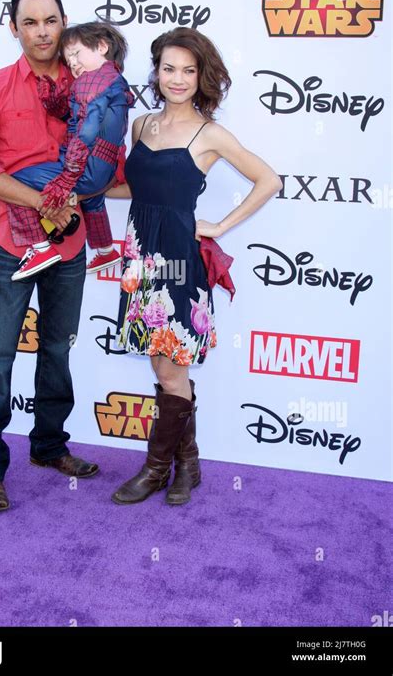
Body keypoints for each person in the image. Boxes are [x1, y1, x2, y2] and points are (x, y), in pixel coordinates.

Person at [107, 27, 283, 506]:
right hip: (141, 257)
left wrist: (222, 226)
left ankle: (155, 468)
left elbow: (269, 180)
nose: (177, 78)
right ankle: (188, 463)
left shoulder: (210, 134)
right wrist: (87, 188)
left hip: (181, 262)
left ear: (201, 76)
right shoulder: (141, 125)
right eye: (169, 68)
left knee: (170, 368)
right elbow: (138, 188)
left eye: (188, 70)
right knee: (165, 365)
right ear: (156, 71)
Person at [0, 0, 99, 513]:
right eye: (30, 22)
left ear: (64, 23)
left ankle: (48, 447)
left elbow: (105, 158)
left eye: (51, 21)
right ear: (13, 27)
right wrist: (44, 200)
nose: (42, 32)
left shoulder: (88, 86)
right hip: (9, 244)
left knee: (58, 348)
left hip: (69, 244)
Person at [9, 21, 135, 281]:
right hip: (107, 170)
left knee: (14, 181)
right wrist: (56, 104)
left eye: (77, 54)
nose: (73, 63)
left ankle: (39, 247)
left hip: (88, 169)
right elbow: (83, 118)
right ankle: (105, 249)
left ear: (102, 46)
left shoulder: (93, 81)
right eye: (68, 59)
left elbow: (86, 133)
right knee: (93, 199)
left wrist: (67, 177)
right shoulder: (113, 80)